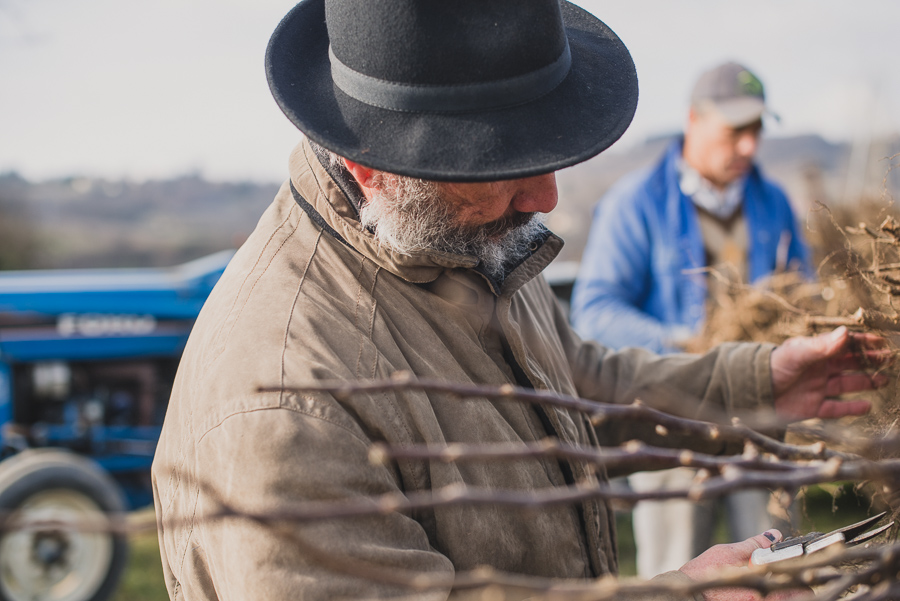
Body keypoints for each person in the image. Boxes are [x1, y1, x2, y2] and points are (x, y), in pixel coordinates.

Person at [152, 3, 877, 600]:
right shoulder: (281, 404)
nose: (546, 198)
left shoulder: (461, 245)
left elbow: (577, 386)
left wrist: (758, 383)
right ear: (373, 165)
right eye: (501, 166)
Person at [569, 62, 812, 579]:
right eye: (735, 131)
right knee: (678, 572)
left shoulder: (773, 204)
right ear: (694, 121)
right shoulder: (636, 204)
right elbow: (596, 311)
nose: (749, 146)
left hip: (761, 424)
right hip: (672, 424)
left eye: (757, 131)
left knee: (776, 563)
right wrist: (683, 342)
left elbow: (803, 290)